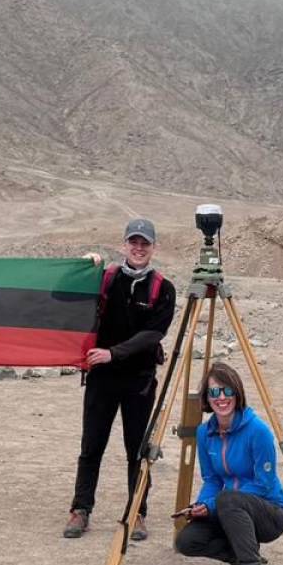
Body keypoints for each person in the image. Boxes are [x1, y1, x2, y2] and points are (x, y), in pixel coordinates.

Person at [63, 217, 178, 541]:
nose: (138, 248)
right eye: (133, 242)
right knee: (91, 446)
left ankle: (137, 512)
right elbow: (62, 296)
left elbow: (153, 333)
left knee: (137, 450)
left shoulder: (162, 289)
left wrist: (114, 353)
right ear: (124, 245)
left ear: (153, 248)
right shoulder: (105, 279)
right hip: (101, 379)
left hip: (138, 381)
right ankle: (80, 509)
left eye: (145, 243)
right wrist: (82, 268)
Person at [173, 363, 283, 565]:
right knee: (186, 541)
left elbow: (263, 483)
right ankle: (241, 554)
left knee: (228, 499)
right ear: (207, 398)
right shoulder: (204, 433)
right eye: (214, 392)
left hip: (270, 511)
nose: (221, 398)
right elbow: (212, 479)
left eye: (227, 391)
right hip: (231, 508)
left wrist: (216, 504)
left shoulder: (258, 431)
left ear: (238, 393)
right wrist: (203, 505)